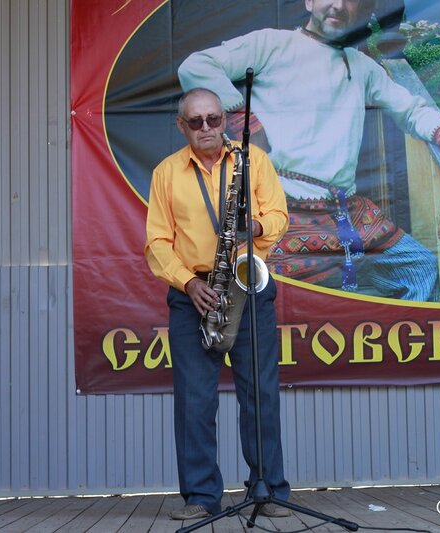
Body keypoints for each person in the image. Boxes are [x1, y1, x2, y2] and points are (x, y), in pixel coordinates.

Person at [178, 0, 440, 302]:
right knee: (288, 298)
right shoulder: (271, 43)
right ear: (309, 2)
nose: (338, 6)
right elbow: (195, 67)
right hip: (282, 207)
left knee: (421, 267)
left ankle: (394, 346)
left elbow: (411, 109)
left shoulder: (362, 66)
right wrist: (243, 119)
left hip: (346, 211)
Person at [145, 88, 291, 520]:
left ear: (225, 120)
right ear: (181, 126)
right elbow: (156, 242)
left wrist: (255, 225)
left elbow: (280, 216)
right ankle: (201, 496)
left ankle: (268, 490)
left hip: (247, 286)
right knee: (194, 400)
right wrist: (188, 283)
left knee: (260, 395)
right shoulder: (166, 173)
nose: (206, 128)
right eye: (196, 122)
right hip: (194, 290)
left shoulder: (254, 162)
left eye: (213, 119)